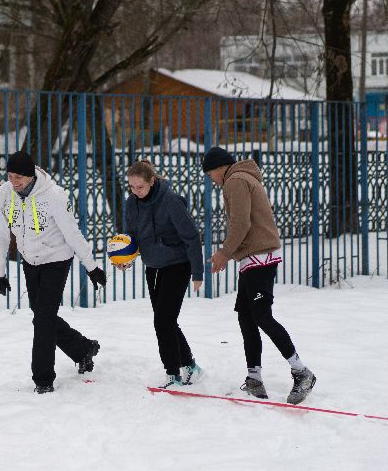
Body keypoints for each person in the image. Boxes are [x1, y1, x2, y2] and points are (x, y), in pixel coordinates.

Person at [202, 146, 316, 405]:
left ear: (219, 168)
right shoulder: (244, 177)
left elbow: (241, 223)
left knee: (262, 316)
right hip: (254, 258)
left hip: (258, 258)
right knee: (246, 317)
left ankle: (302, 372)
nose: (211, 180)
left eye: (210, 174)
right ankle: (254, 377)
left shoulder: (235, 180)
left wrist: (225, 253)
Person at [0, 150, 107, 394]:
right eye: (10, 176)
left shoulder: (54, 196)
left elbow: (72, 233)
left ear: (31, 175)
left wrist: (91, 266)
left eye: (19, 177)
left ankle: (43, 379)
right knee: (43, 315)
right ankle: (83, 349)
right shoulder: (3, 195)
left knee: (43, 318)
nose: (14, 182)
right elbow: (0, 235)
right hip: (30, 261)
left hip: (56, 259)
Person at [121, 160, 205, 389]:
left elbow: (191, 237)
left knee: (163, 321)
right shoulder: (131, 204)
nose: (135, 192)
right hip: (153, 267)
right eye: (131, 187)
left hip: (178, 265)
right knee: (166, 320)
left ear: (152, 181)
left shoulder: (171, 202)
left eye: (140, 187)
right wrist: (124, 258)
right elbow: (131, 235)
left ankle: (173, 374)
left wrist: (198, 272)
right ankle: (190, 366)